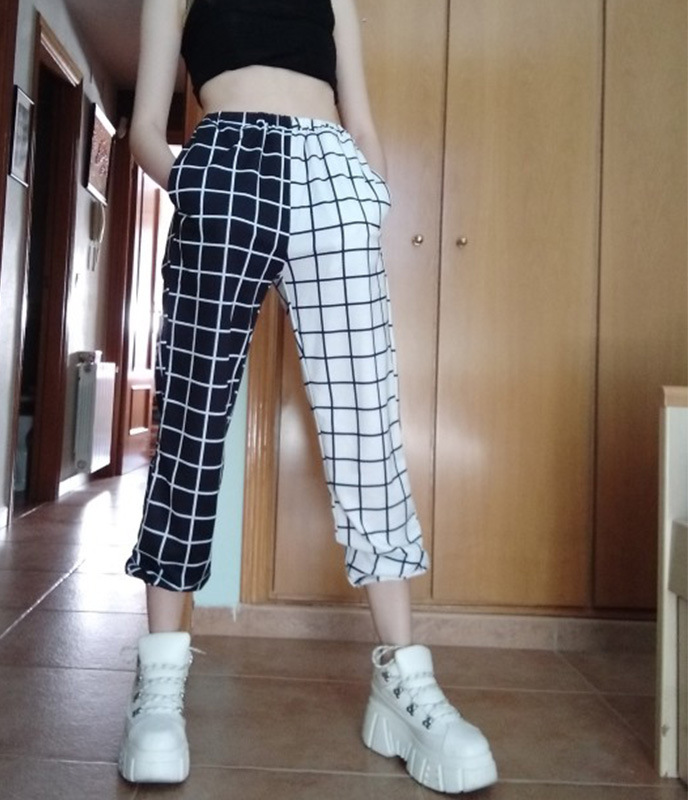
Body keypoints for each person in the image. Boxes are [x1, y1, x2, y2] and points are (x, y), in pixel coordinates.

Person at [118, 0, 498, 793]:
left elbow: (360, 113)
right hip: (221, 163)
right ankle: (159, 686)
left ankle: (403, 680)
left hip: (332, 172)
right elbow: (145, 126)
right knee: (190, 418)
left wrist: (367, 192)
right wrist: (190, 176)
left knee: (366, 424)